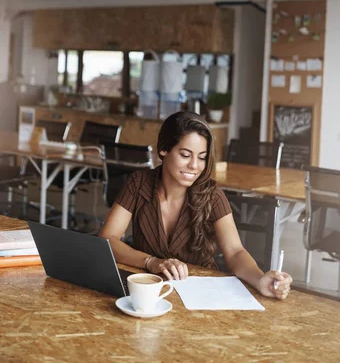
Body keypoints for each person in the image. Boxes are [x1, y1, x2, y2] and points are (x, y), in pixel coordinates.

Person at [100, 111, 292, 300]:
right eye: (185, 154)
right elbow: (108, 238)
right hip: (149, 295)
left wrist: (259, 280)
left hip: (199, 298)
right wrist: (151, 262)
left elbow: (235, 252)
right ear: (163, 149)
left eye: (201, 157)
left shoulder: (212, 195)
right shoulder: (138, 184)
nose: (194, 165)